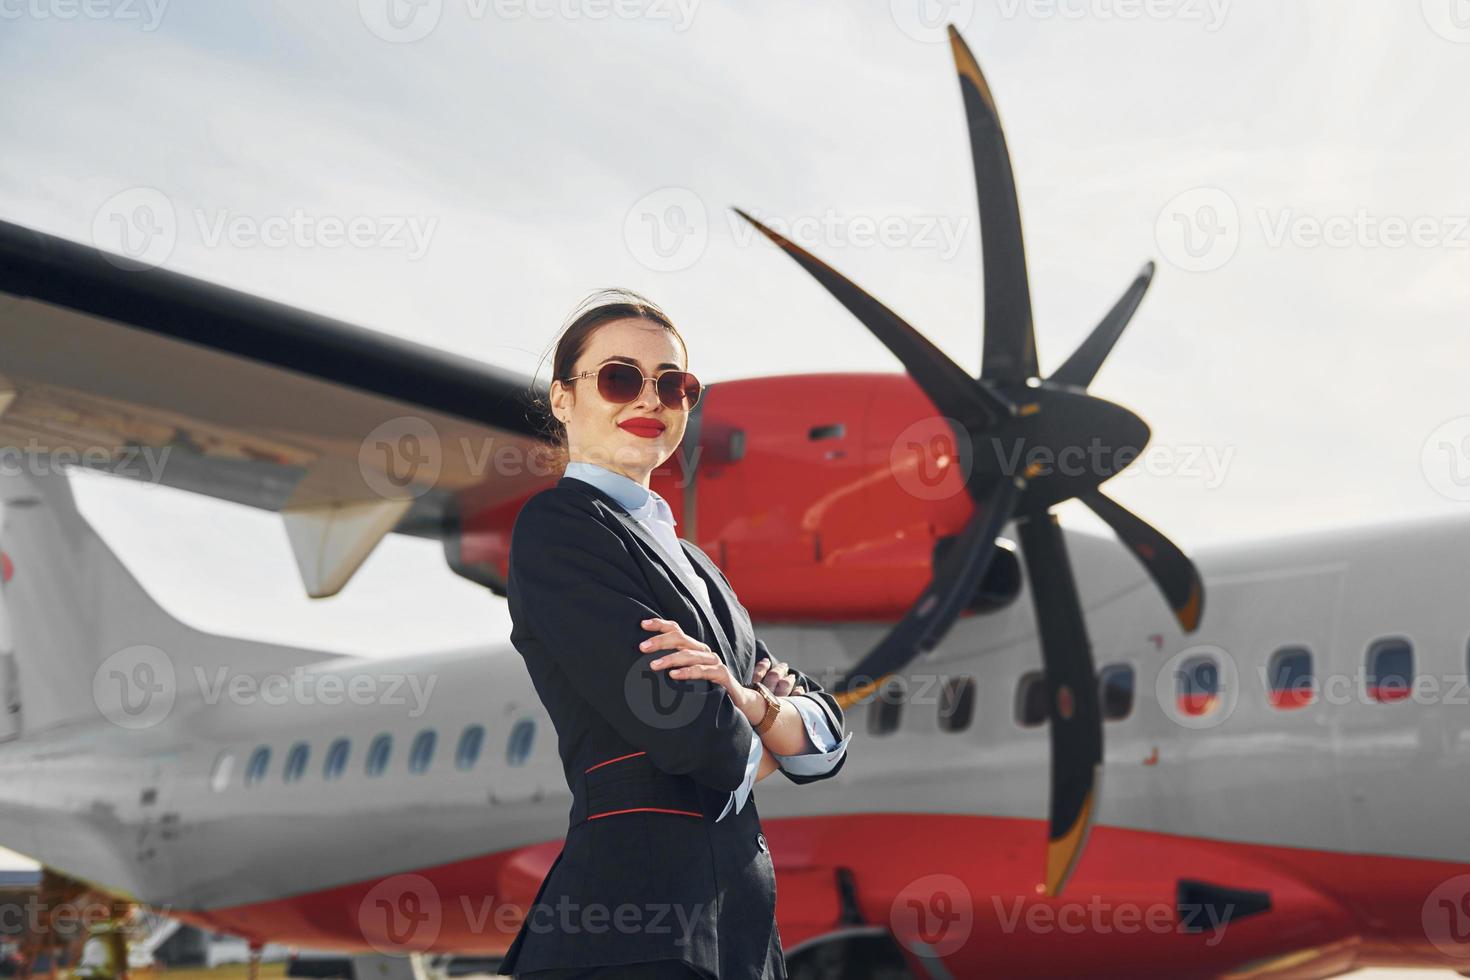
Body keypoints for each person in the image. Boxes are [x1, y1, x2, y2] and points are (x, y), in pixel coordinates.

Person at [498, 290, 852, 979]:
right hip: (631, 938)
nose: (650, 399)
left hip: (742, 941)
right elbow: (693, 733)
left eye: (675, 384)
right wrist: (766, 735)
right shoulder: (561, 528)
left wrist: (752, 705)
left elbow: (829, 743)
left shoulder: (700, 569)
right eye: (620, 378)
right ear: (564, 399)